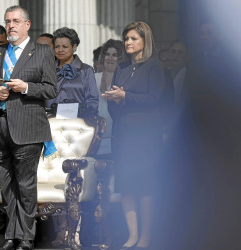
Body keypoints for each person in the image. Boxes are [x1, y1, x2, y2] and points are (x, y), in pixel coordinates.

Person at [0, 5, 57, 250]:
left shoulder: (42, 52)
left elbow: (51, 90)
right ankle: (12, 235)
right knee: (7, 183)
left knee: (25, 184)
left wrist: (26, 87)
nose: (11, 25)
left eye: (16, 21)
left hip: (28, 127)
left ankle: (27, 237)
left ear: (27, 25)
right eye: (8, 21)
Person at [102, 21, 165, 249]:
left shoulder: (154, 67)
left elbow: (154, 99)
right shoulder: (121, 68)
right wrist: (116, 99)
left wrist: (126, 96)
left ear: (144, 41)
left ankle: (146, 236)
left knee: (145, 187)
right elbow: (114, 104)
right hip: (124, 135)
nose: (128, 42)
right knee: (126, 185)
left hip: (146, 137)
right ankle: (132, 235)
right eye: (126, 39)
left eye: (133, 39)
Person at [45, 27, 98, 114]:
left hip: (77, 122)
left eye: (65, 47)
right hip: (49, 121)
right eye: (57, 46)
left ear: (74, 47)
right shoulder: (47, 69)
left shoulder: (86, 70)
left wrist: (76, 110)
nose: (60, 50)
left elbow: (93, 100)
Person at [94, 39, 125, 156]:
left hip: (116, 135)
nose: (110, 58)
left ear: (121, 58)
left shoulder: (124, 79)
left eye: (114, 55)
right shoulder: (93, 78)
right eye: (107, 54)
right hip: (96, 135)